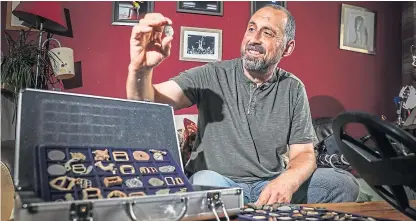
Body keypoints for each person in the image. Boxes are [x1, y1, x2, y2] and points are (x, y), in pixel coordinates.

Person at [126, 5, 360, 205]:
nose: (254, 38)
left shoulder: (293, 88)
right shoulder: (211, 75)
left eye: (267, 32)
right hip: (218, 184)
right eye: (251, 28)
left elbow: (304, 154)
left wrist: (286, 182)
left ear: (287, 47)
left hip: (268, 186)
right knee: (202, 182)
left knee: (343, 184)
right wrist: (141, 69)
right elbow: (148, 101)